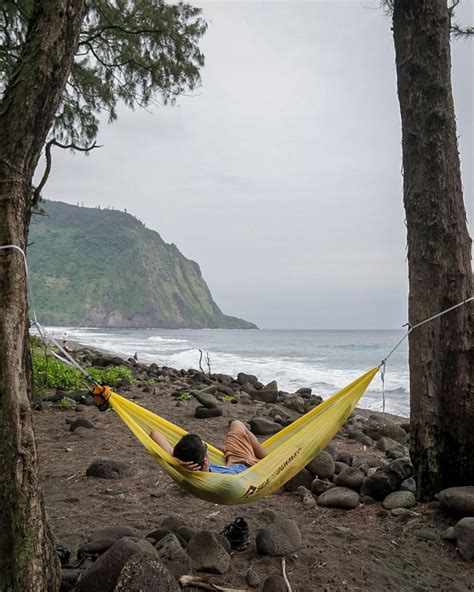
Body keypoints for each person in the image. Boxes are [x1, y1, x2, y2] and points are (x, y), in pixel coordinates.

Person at [149, 420, 267, 475]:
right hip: (250, 468)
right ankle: (269, 459)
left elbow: (154, 434)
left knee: (236, 424)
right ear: (205, 460)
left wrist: (173, 461)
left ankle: (264, 456)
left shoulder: (180, 464)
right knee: (239, 425)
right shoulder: (215, 480)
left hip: (232, 463)